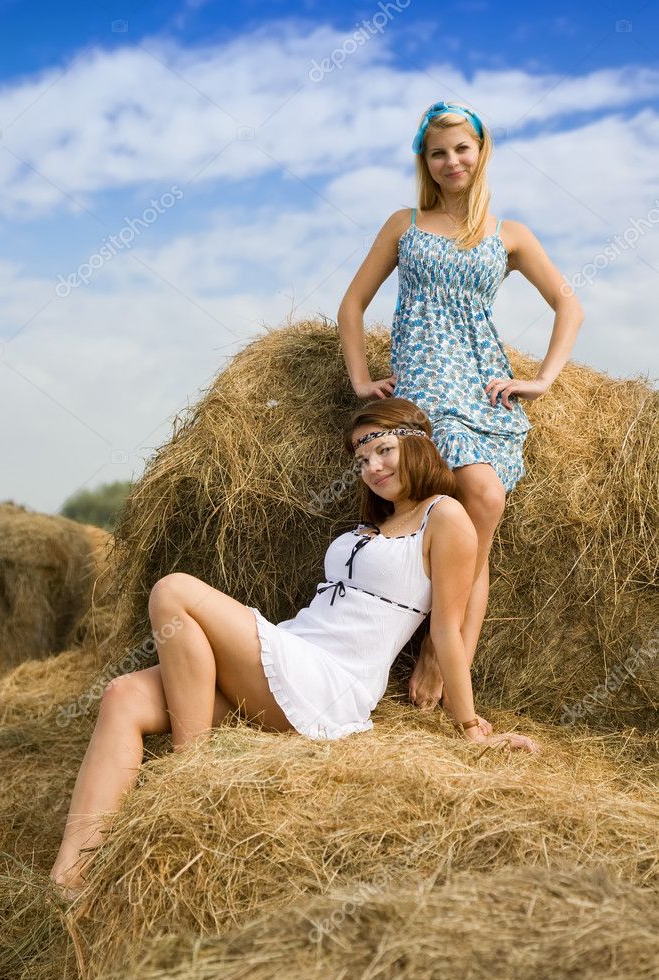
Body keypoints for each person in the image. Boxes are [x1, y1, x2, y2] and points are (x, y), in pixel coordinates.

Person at [50, 398, 541, 901]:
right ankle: (68, 880)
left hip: (329, 680)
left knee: (174, 590)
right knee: (123, 695)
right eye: (361, 459)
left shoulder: (446, 516)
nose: (372, 467)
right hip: (290, 651)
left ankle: (190, 774)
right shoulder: (372, 524)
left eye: (384, 450)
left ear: (416, 444)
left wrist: (469, 727)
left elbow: (446, 631)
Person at [337, 100, 585, 713]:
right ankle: (442, 650)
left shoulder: (511, 236)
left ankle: (448, 655)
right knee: (484, 497)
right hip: (426, 383)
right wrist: (361, 379)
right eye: (438, 151)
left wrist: (543, 380)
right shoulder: (404, 224)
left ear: (482, 152)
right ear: (426, 160)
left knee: (480, 525)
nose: (452, 161)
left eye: (462, 149)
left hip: (482, 383)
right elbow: (351, 306)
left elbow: (569, 305)